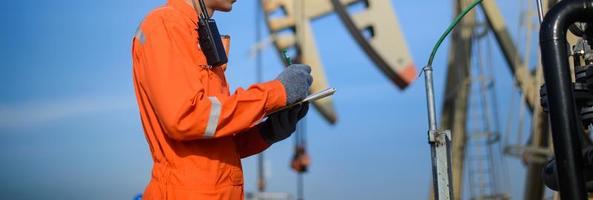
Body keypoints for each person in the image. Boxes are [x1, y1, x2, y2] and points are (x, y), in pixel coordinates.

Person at [131, 0, 313, 199]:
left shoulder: (189, 29)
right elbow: (185, 117)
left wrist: (267, 132)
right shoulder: (165, 24)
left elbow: (214, 145)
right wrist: (275, 93)